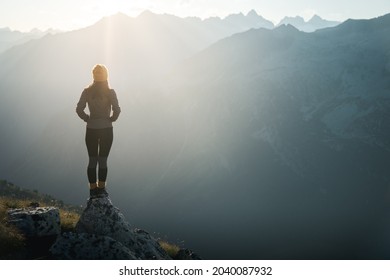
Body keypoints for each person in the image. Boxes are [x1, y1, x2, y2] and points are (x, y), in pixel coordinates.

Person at [76, 64, 121, 198]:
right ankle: (101, 189)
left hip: (91, 129)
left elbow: (79, 109)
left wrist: (87, 118)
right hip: (107, 129)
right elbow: (117, 109)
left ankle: (92, 189)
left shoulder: (86, 91)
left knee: (92, 161)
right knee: (103, 161)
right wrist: (111, 119)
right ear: (106, 75)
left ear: (93, 75)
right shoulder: (110, 92)